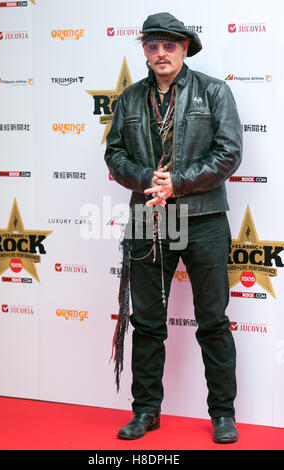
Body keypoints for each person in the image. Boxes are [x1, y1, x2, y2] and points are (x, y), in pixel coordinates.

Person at [105, 12, 242, 444]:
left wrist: (178, 182)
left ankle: (223, 413)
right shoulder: (128, 99)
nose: (160, 53)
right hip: (149, 215)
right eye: (152, 45)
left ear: (185, 47)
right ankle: (145, 410)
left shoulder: (214, 91)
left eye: (169, 45)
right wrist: (150, 179)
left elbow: (229, 153)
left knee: (213, 322)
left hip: (202, 218)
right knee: (147, 324)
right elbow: (114, 155)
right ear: (144, 50)